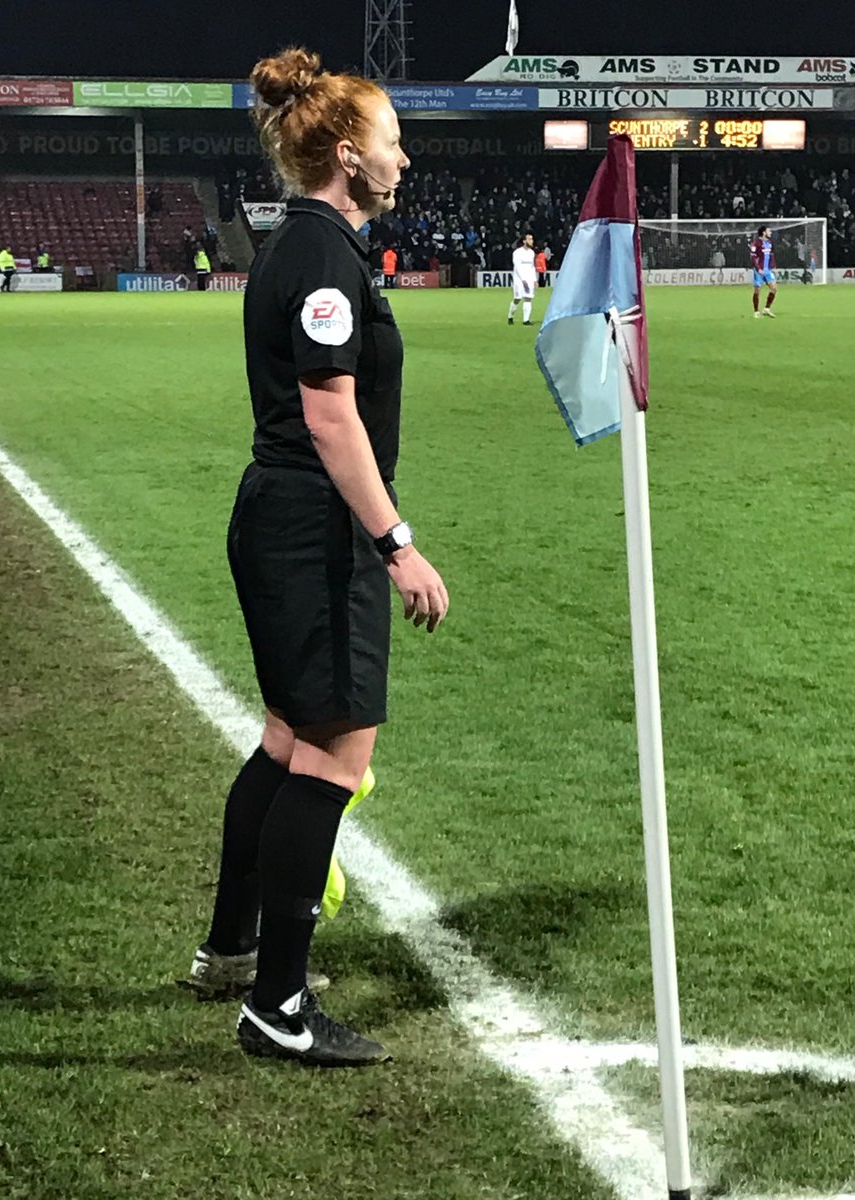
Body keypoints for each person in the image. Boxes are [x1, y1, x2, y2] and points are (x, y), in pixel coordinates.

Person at [186, 47, 448, 1067]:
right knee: (336, 756)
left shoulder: (304, 243)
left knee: (288, 741)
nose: (406, 160)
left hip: (284, 519)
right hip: (315, 528)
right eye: (392, 144)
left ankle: (234, 952)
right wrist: (396, 544)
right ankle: (279, 1008)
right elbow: (331, 418)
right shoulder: (325, 255)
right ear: (348, 154)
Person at [508, 232, 536, 325]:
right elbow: (517, 266)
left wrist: (534, 279)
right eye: (529, 239)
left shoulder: (532, 253)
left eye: (532, 239)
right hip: (519, 280)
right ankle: (510, 316)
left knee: (528, 298)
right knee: (517, 298)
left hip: (529, 279)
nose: (532, 241)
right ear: (524, 241)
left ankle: (526, 320)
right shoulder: (517, 253)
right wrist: (523, 279)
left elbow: (532, 267)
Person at [750, 224, 778, 318]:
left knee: (774, 288)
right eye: (769, 231)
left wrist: (773, 267)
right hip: (759, 270)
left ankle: (766, 309)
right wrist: (758, 269)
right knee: (757, 290)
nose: (770, 232)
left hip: (767, 270)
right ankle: (756, 312)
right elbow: (753, 257)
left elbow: (771, 256)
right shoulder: (756, 243)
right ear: (763, 232)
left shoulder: (769, 243)